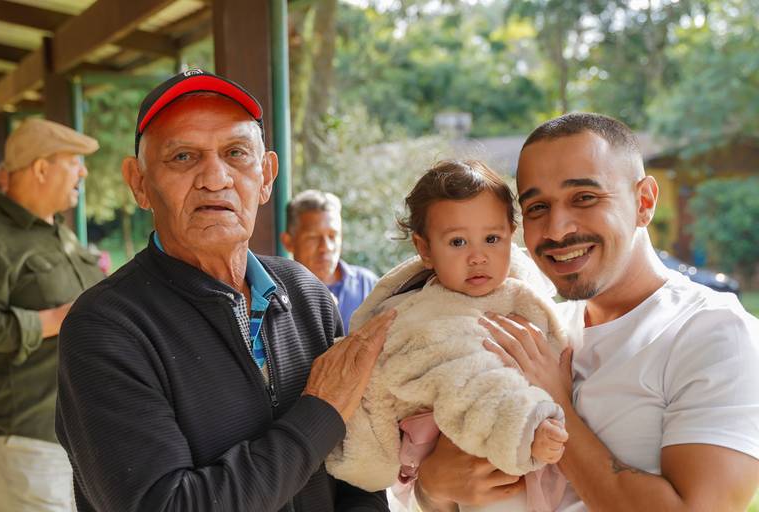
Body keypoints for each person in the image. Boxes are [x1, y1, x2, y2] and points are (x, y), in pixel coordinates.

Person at [55, 69, 395, 512]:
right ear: (139, 183)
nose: (215, 178)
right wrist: (320, 411)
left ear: (266, 175)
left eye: (236, 153)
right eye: (182, 157)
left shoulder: (306, 296)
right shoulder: (106, 327)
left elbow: (359, 477)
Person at [415, 113, 759, 511]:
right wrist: (433, 484)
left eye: (584, 198)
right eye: (537, 207)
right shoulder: (540, 330)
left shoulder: (714, 332)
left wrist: (557, 406)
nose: (557, 229)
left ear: (644, 202)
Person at [325, 161, 571, 512]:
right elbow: (467, 382)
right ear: (425, 249)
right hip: (488, 449)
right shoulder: (425, 319)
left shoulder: (521, 288)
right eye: (457, 242)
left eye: (492, 239)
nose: (478, 256)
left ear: (511, 235)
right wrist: (525, 427)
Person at [0, 118, 103, 512]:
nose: (83, 173)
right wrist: (50, 321)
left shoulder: (62, 236)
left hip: (82, 444)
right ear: (41, 168)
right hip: (27, 443)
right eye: (74, 162)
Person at [281, 189, 378, 332]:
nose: (325, 247)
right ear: (288, 242)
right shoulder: (277, 294)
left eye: (333, 236)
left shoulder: (368, 286)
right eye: (313, 238)